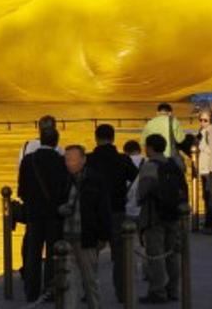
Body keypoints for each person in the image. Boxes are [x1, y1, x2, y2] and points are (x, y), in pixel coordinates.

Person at [86, 124, 138, 303]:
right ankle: (123, 293)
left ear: (96, 138)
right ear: (113, 138)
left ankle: (89, 293)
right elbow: (135, 178)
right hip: (117, 211)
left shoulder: (88, 160)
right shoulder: (122, 159)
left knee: (90, 256)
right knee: (120, 257)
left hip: (93, 214)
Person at [18, 126, 69, 302]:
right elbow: (66, 189)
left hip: (34, 214)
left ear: (40, 139)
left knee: (33, 254)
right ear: (56, 142)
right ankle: (50, 289)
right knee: (53, 254)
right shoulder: (62, 161)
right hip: (54, 215)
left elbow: (22, 190)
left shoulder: (28, 161)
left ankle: (31, 292)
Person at [59, 145, 111, 309]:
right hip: (66, 238)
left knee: (90, 280)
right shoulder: (63, 179)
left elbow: (103, 209)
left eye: (73, 159)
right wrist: (60, 209)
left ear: (83, 160)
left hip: (86, 236)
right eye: (67, 159)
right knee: (69, 281)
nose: (69, 163)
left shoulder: (95, 180)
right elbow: (56, 202)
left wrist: (103, 236)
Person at [137, 134, 182, 303]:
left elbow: (142, 193)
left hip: (154, 215)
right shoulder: (174, 163)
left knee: (156, 255)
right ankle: (173, 290)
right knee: (173, 254)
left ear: (150, 148)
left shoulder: (149, 166)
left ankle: (158, 291)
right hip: (173, 213)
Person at [124, 140, 144, 221]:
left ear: (125, 152)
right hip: (144, 210)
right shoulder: (148, 161)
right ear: (140, 150)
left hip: (127, 209)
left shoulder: (122, 162)